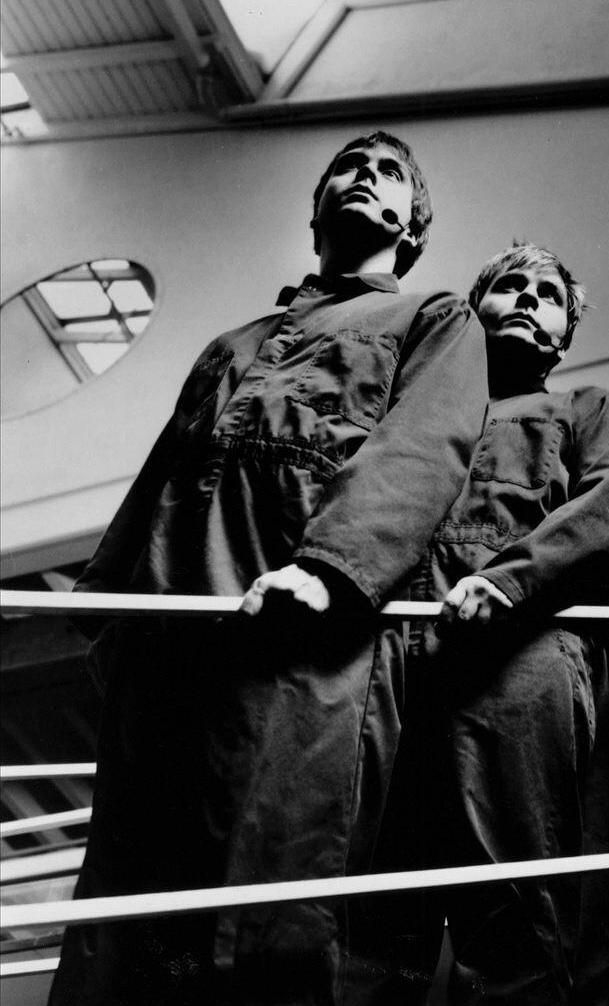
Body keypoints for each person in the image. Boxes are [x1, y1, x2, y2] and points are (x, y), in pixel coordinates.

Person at [49, 131, 489, 1006]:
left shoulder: (434, 319)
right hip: (170, 633)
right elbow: (161, 476)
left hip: (298, 628)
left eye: (389, 174)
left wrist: (328, 570)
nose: (365, 176)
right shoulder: (232, 342)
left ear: (410, 227)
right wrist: (104, 608)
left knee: (266, 886)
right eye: (349, 167)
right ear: (317, 209)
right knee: (130, 898)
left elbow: (421, 451)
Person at [348, 242, 609, 1005]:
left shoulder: (590, 409)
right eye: (510, 286)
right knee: (376, 919)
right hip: (397, 662)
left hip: (519, 660)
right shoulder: (422, 413)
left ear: (566, 336)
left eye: (548, 296)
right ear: (475, 309)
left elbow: (606, 514)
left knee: (512, 908)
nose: (526, 300)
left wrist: (509, 581)